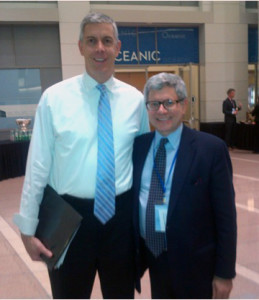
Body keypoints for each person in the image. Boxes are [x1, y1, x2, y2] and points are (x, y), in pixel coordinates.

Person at [13, 12, 149, 299]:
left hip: (120, 219)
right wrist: (27, 230)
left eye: (107, 41)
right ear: (81, 47)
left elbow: (143, 165)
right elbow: (37, 165)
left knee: (121, 294)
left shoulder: (135, 101)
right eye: (92, 40)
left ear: (118, 47)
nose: (100, 48)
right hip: (68, 219)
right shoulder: (54, 98)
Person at [132, 73, 237, 299]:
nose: (161, 110)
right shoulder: (138, 147)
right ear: (147, 108)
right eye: (154, 104)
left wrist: (224, 273)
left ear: (183, 105)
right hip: (154, 259)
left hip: (197, 267)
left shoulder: (211, 150)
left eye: (169, 102)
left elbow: (226, 217)